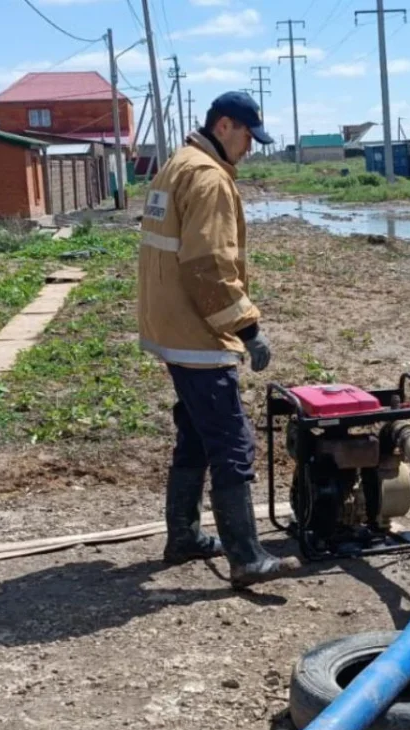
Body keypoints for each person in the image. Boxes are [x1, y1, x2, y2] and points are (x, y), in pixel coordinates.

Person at [136, 91, 300, 589]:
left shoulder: (177, 164)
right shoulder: (208, 178)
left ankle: (183, 536)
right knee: (232, 443)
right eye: (248, 135)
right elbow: (209, 268)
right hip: (197, 335)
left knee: (195, 434)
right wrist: (249, 330)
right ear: (225, 126)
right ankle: (247, 557)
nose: (250, 146)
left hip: (169, 328)